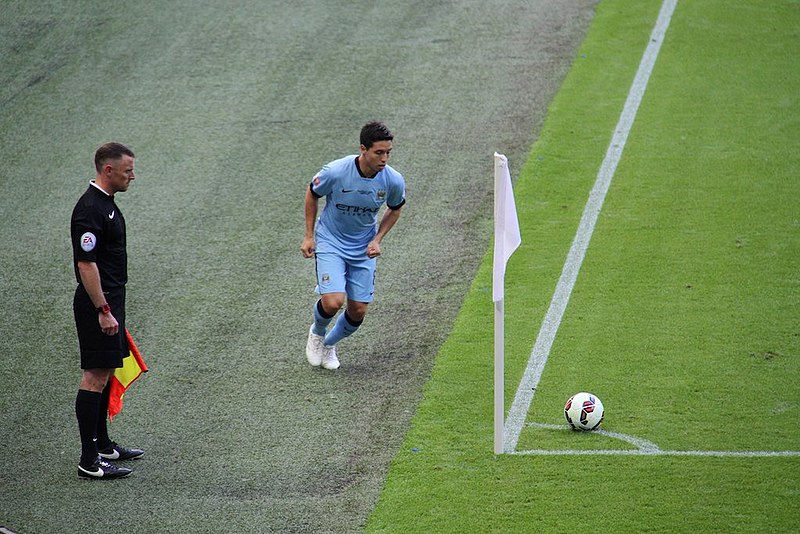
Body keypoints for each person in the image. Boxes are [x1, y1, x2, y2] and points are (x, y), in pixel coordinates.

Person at [301, 121, 406, 370]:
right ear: (363, 149)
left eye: (388, 152)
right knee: (333, 302)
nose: (384, 158)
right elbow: (312, 194)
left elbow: (395, 208)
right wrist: (309, 236)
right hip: (331, 241)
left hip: (362, 248)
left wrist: (377, 239)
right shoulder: (336, 172)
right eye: (379, 152)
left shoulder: (392, 180)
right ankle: (317, 332)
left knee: (358, 310)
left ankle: (329, 344)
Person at [71, 142, 144, 479]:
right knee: (95, 376)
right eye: (127, 171)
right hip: (98, 304)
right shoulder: (90, 210)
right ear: (108, 170)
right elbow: (86, 264)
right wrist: (103, 308)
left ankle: (103, 445)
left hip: (111, 301)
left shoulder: (106, 205)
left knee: (108, 372)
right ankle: (89, 460)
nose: (133, 176)